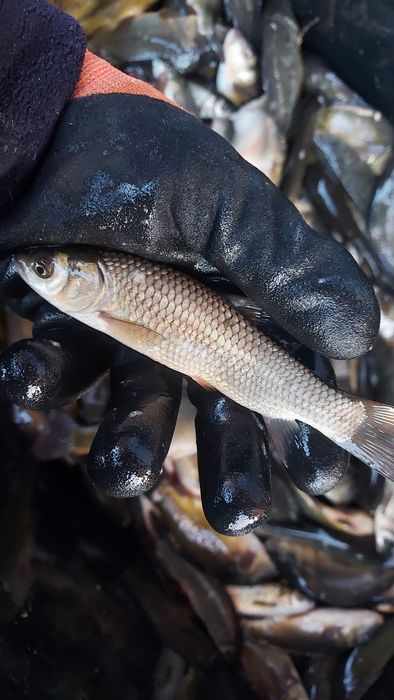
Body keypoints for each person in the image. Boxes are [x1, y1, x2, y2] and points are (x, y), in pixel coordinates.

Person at [0, 0, 381, 535]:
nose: (33, 269)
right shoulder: (102, 295)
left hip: (245, 365)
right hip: (240, 368)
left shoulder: (106, 295)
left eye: (47, 269)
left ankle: (357, 425)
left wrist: (28, 93)